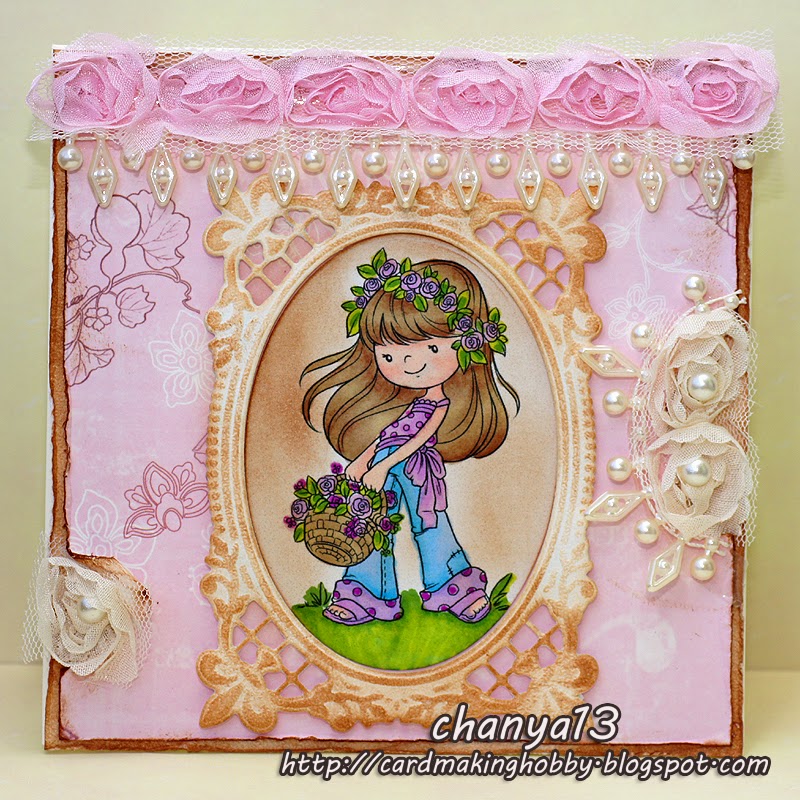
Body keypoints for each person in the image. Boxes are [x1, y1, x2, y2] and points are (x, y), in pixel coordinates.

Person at [301, 250, 518, 625]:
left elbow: (416, 442)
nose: (408, 362)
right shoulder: (406, 404)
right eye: (389, 353)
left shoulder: (437, 404)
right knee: (369, 524)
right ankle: (368, 594)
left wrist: (382, 467)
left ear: (467, 347)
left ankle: (453, 589)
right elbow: (389, 435)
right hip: (381, 466)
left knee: (430, 525)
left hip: (415, 470)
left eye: (432, 348)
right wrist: (362, 461)